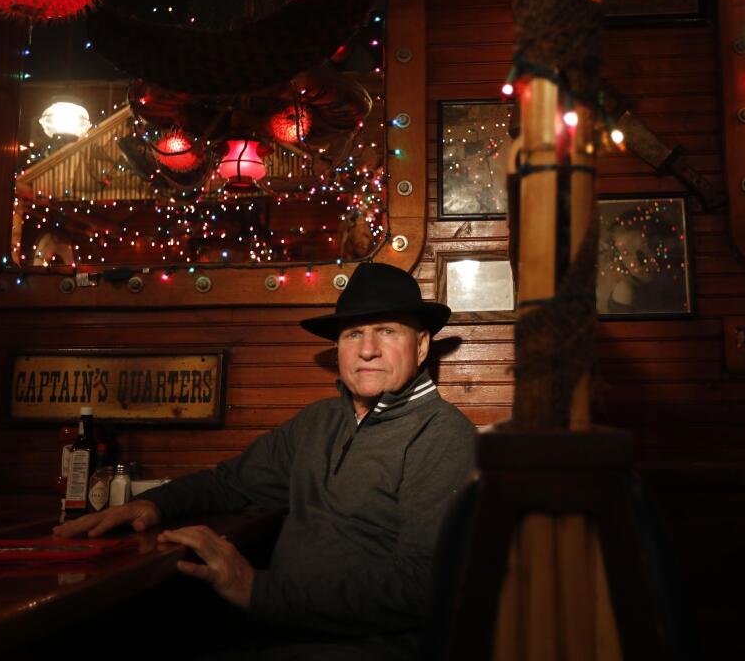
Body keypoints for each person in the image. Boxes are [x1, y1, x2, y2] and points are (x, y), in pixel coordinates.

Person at [55, 262, 476, 659]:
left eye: (386, 331)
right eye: (352, 334)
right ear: (338, 349)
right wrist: (154, 504)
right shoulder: (318, 422)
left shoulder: (443, 435)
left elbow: (422, 587)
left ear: (421, 346)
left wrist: (257, 589)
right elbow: (230, 482)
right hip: (277, 631)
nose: (367, 349)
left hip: (365, 647)